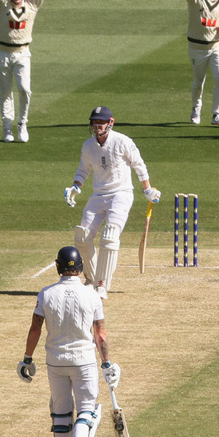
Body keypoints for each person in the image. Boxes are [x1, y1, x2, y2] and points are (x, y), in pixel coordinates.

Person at [18, 246, 121, 437]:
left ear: (57, 267)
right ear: (81, 268)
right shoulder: (93, 295)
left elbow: (35, 328)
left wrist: (27, 358)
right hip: (83, 361)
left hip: (55, 361)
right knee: (87, 409)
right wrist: (106, 364)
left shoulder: (45, 293)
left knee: (61, 411)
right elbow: (100, 334)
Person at [64, 106, 161, 299]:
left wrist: (148, 189)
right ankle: (91, 280)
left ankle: (102, 285)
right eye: (95, 122)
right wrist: (75, 187)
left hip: (121, 194)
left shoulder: (122, 141)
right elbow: (83, 170)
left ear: (111, 122)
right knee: (82, 236)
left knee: (110, 235)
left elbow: (139, 165)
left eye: (101, 122)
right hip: (98, 195)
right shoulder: (88, 146)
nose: (97, 126)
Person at [0, 0, 61, 143]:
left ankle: (22, 124)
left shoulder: (31, 6)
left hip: (22, 54)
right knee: (5, 93)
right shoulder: (2, 4)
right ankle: (7, 129)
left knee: (25, 89)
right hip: (2, 53)